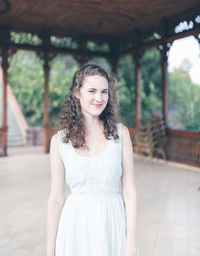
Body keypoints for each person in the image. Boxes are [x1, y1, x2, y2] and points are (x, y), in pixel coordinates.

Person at [46, 63, 140, 256]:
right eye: (92, 91)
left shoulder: (121, 135)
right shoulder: (59, 142)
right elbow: (55, 200)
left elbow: (129, 191)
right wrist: (50, 252)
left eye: (104, 92)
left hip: (112, 223)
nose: (99, 98)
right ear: (77, 93)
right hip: (75, 228)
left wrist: (130, 244)